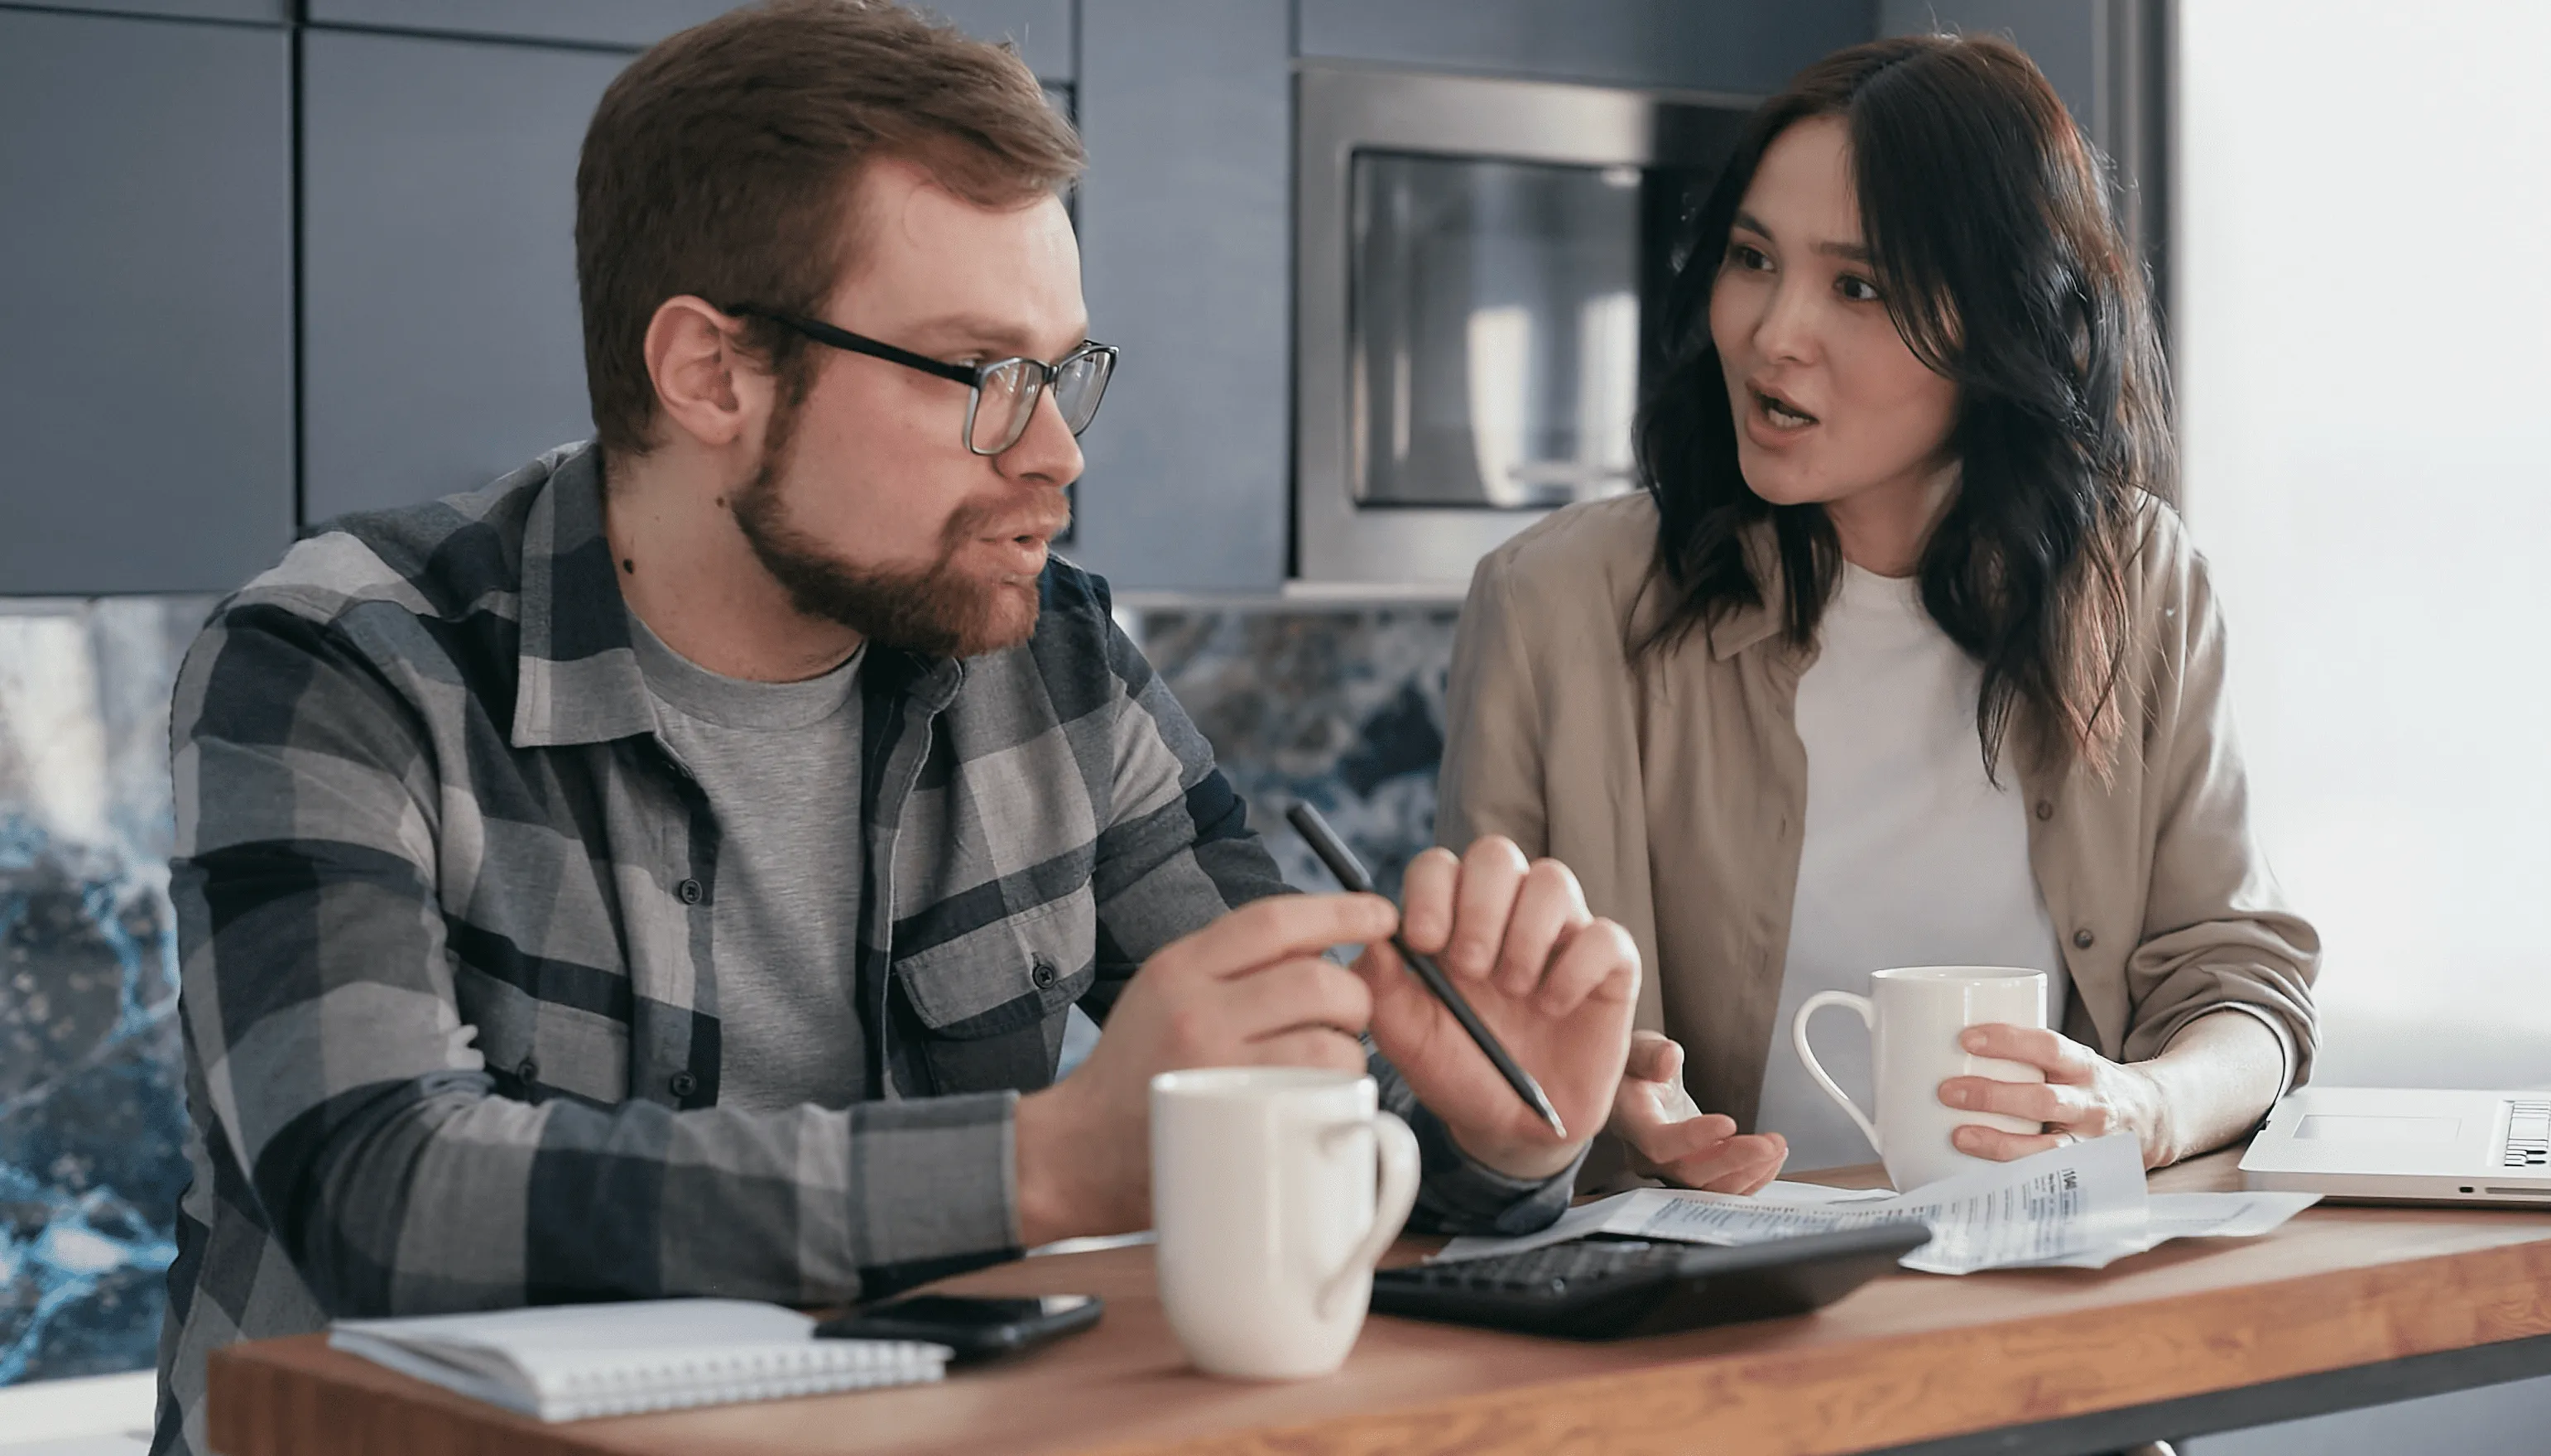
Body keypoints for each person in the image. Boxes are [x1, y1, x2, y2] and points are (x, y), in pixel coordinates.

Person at [151, 5, 1653, 1450]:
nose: (1055, 451)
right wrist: (1044, 1164)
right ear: (713, 371)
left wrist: (1493, 1132)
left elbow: (1313, 1125)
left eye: (1061, 373)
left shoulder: (1056, 665)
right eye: (986, 376)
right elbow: (379, 1190)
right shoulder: (342, 658)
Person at [1439, 33, 2318, 1193]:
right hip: (1710, 1324)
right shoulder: (1553, 603)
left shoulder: (2138, 577)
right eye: (1751, 258)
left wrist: (2141, 1103)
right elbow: (1459, 1100)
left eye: (1858, 286)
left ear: (2003, 321)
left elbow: (2243, 986)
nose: (1770, 332)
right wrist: (1550, 1124)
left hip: (2044, 1280)